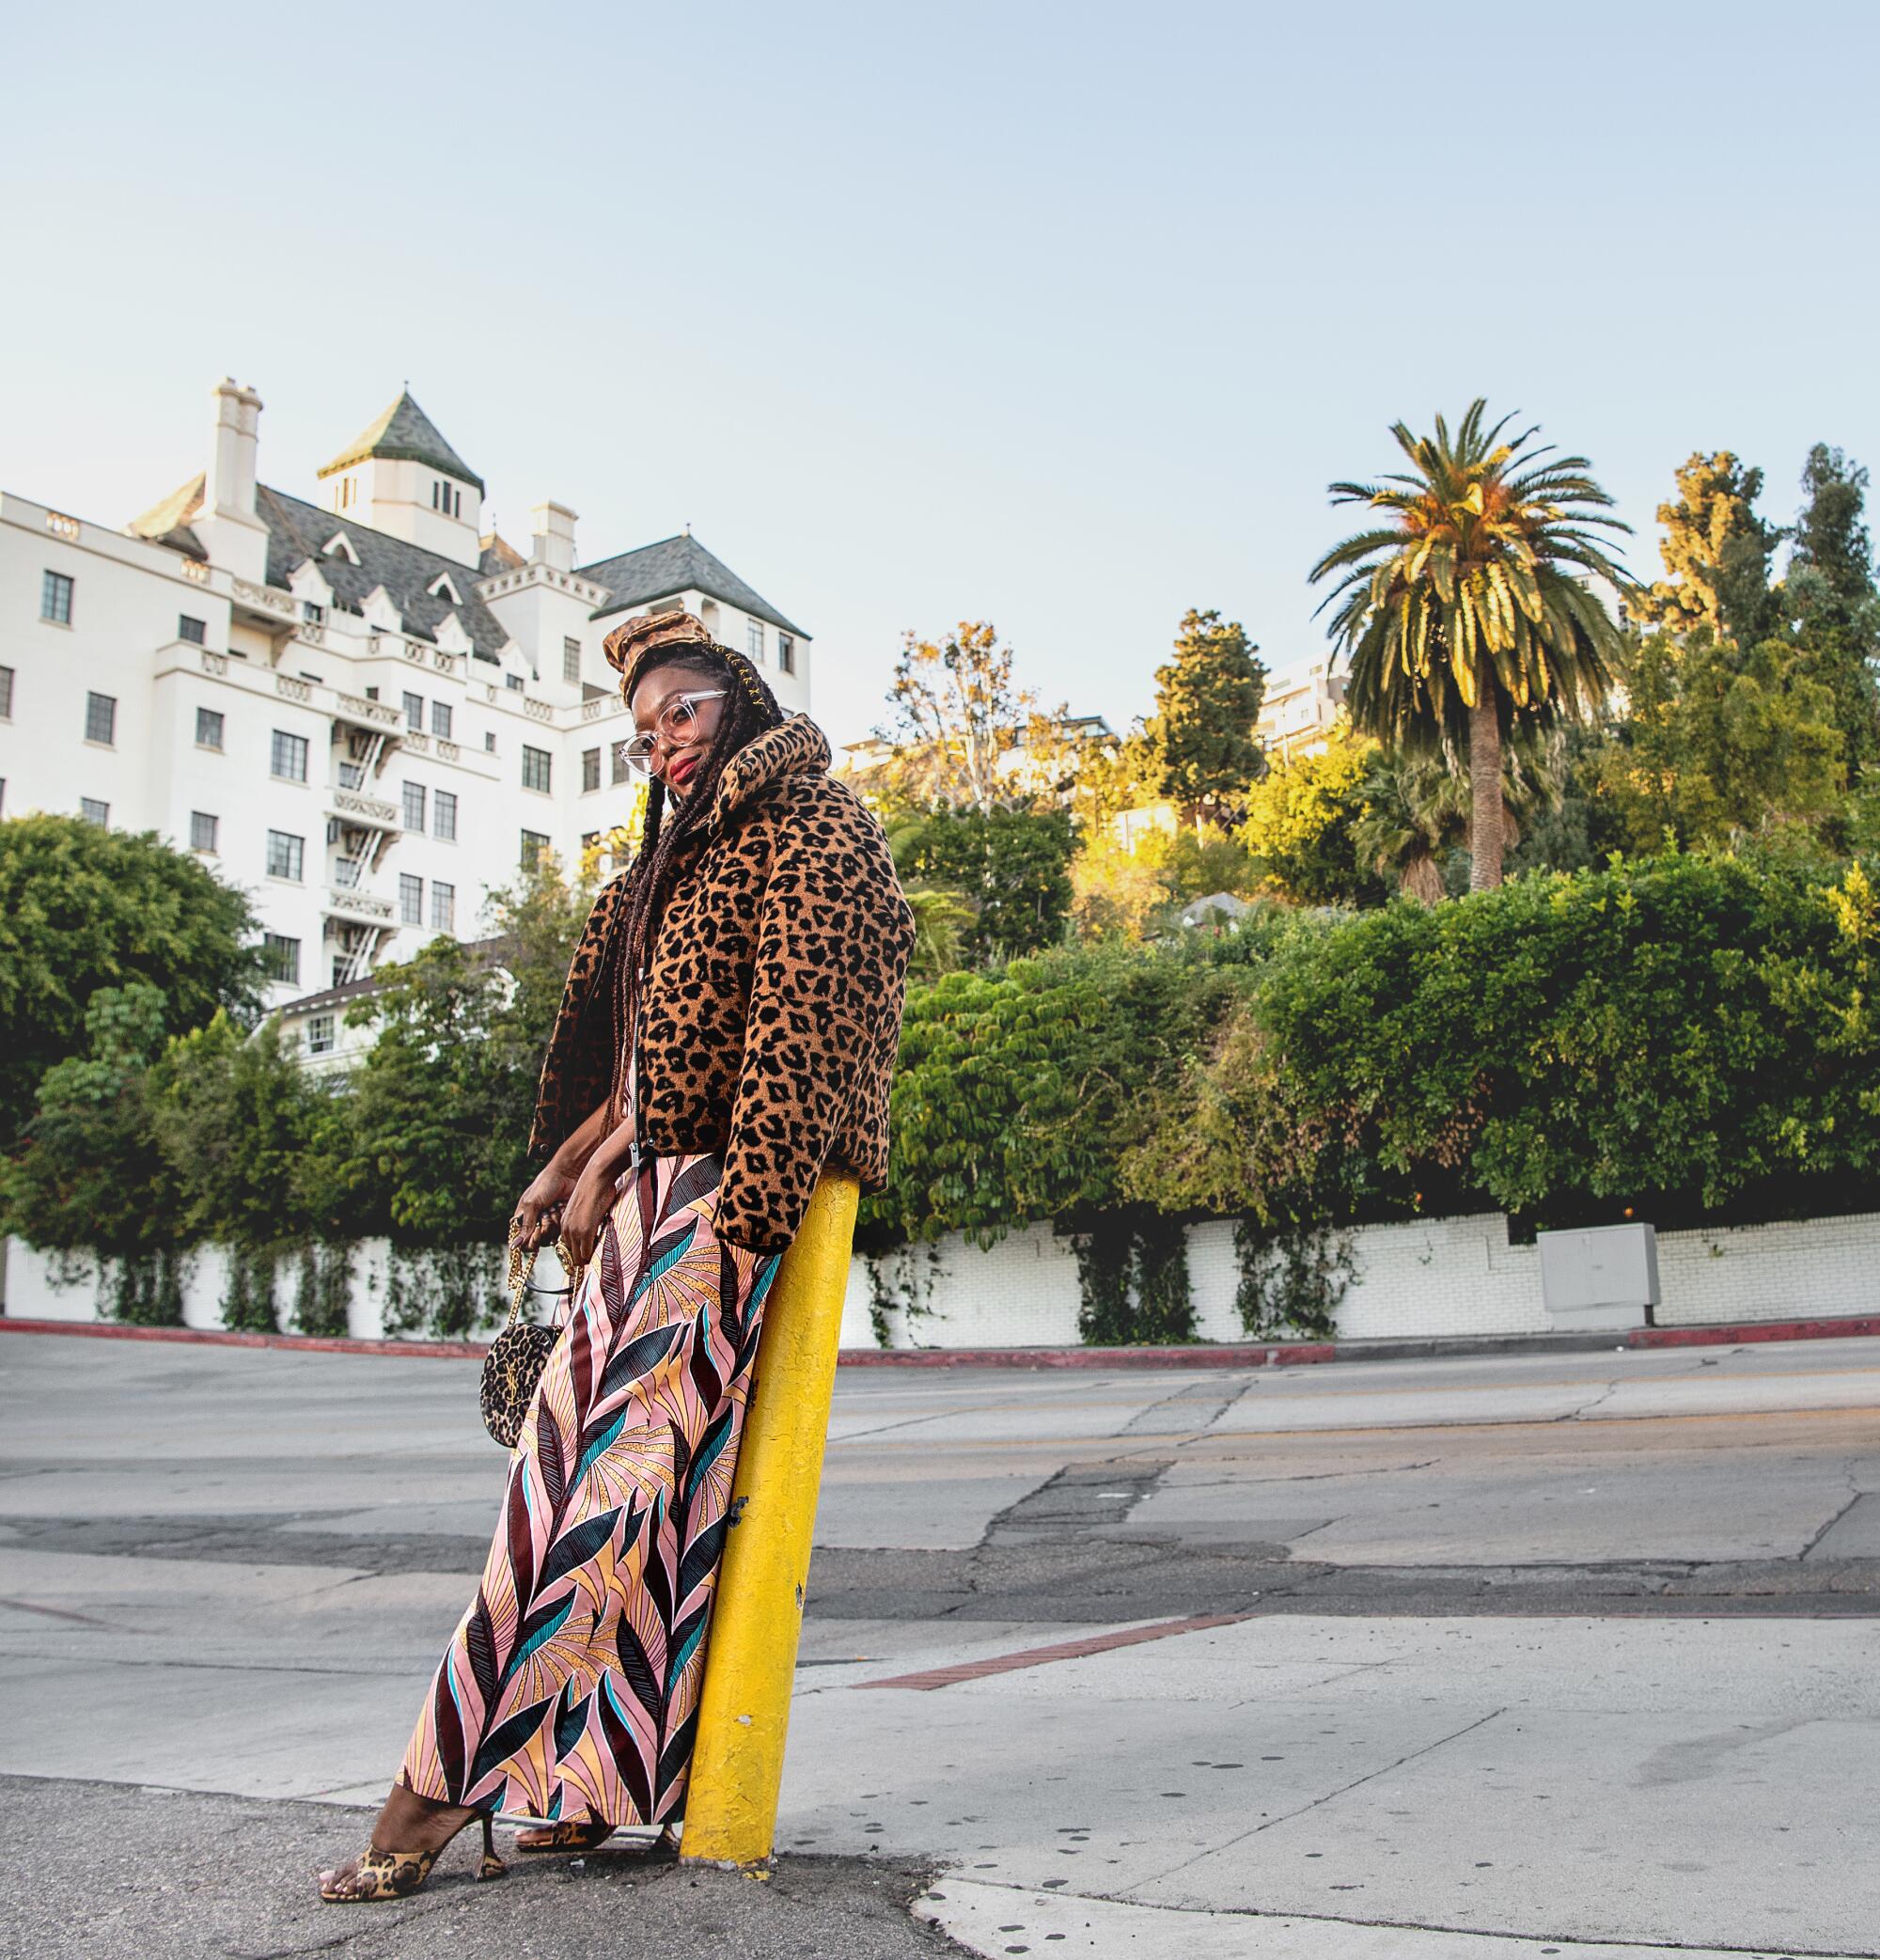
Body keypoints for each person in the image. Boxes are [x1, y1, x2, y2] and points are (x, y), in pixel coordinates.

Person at [319, 609, 915, 1902]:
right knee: (630, 1500)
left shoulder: (818, 829)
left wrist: (739, 1223)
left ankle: (430, 1791)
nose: (666, 746)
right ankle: (588, 1788)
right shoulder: (679, 860)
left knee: (597, 1501)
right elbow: (660, 1056)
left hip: (720, 1211)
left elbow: (801, 1034)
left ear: (741, 699)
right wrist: (575, 1162)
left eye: (685, 713)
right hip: (655, 1207)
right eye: (646, 732)